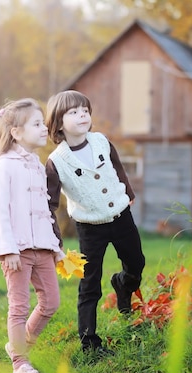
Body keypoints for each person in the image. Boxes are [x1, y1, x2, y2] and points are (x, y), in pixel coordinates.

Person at [45, 90, 146, 357]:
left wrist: (128, 194)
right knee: (89, 283)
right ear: (58, 123)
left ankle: (123, 284)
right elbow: (50, 203)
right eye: (73, 112)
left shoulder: (101, 141)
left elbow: (118, 169)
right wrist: (53, 238)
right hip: (90, 228)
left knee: (136, 264)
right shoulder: (56, 161)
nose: (82, 115)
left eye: (85, 110)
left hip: (122, 217)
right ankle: (90, 342)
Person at [0, 98, 64, 373]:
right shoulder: (5, 166)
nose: (44, 128)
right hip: (17, 251)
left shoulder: (37, 166)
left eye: (43, 123)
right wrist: (8, 249)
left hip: (43, 248)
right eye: (37, 124)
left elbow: (43, 212)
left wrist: (55, 247)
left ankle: (18, 345)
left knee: (51, 302)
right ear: (16, 132)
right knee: (19, 307)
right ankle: (20, 363)